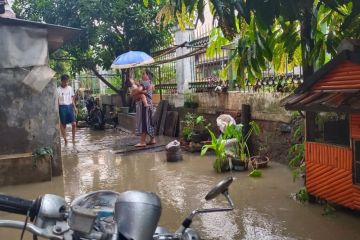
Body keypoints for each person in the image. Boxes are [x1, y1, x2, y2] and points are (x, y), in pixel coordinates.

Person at [132, 69, 156, 147]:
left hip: (144, 106)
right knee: (149, 122)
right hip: (150, 104)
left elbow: (138, 90)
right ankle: (152, 139)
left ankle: (142, 141)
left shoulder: (145, 82)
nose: (142, 75)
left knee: (144, 123)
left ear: (148, 75)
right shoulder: (150, 83)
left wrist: (134, 91)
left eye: (144, 74)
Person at [57, 74, 77, 144]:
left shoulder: (70, 88)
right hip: (62, 107)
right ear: (61, 81)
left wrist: (74, 107)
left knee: (74, 123)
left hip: (70, 106)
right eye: (64, 82)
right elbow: (56, 101)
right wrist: (57, 110)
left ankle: (73, 139)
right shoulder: (58, 90)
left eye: (67, 82)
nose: (66, 83)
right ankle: (65, 139)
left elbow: (72, 98)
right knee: (63, 124)